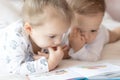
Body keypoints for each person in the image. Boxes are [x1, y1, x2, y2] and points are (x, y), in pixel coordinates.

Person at [0, 0, 72, 75]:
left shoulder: (48, 33)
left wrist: (62, 54)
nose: (59, 41)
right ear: (29, 29)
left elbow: (64, 51)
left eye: (63, 34)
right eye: (52, 36)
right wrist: (50, 64)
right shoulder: (16, 38)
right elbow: (14, 69)